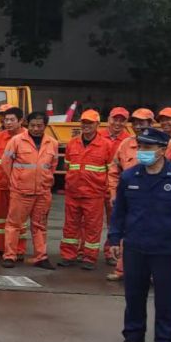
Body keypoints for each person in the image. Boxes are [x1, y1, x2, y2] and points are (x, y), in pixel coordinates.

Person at [108, 129, 171, 342]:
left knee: (165, 298)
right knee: (134, 295)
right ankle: (133, 336)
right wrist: (114, 238)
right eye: (140, 147)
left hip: (166, 248)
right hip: (135, 246)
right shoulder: (129, 177)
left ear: (162, 150)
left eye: (148, 148)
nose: (142, 152)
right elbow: (119, 212)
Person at [107, 109, 171, 282]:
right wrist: (114, 192)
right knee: (130, 232)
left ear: (151, 124)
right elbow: (114, 170)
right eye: (135, 122)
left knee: (158, 233)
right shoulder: (126, 144)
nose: (138, 126)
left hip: (159, 198)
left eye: (142, 122)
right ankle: (122, 270)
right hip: (132, 196)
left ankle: (155, 274)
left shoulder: (166, 144)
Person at [1, 111, 59, 269]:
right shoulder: (16, 141)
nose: (36, 129)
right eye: (33, 125)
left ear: (45, 126)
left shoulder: (52, 143)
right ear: (28, 124)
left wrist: (45, 180)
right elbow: (6, 163)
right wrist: (16, 181)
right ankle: (10, 256)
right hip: (20, 191)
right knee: (14, 224)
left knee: (40, 226)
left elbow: (52, 166)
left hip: (42, 192)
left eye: (39, 126)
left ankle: (41, 257)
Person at [59, 110, 116, 270]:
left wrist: (107, 189)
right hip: (73, 193)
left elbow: (111, 171)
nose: (86, 126)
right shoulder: (72, 143)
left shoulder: (106, 145)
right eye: (84, 122)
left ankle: (89, 258)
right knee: (70, 226)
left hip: (94, 194)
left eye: (90, 123)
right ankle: (68, 256)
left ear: (97, 124)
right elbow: (68, 166)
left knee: (92, 227)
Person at [0, 105, 26, 257]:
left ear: (20, 121)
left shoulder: (27, 138)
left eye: (11, 120)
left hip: (19, 186)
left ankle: (17, 250)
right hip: (0, 184)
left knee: (18, 220)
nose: (8, 122)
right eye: (6, 119)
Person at [102, 108, 131, 263]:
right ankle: (84, 252)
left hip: (116, 188)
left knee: (115, 221)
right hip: (96, 187)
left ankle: (111, 252)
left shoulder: (129, 141)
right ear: (109, 119)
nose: (118, 123)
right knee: (88, 222)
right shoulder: (97, 135)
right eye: (115, 119)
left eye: (122, 120)